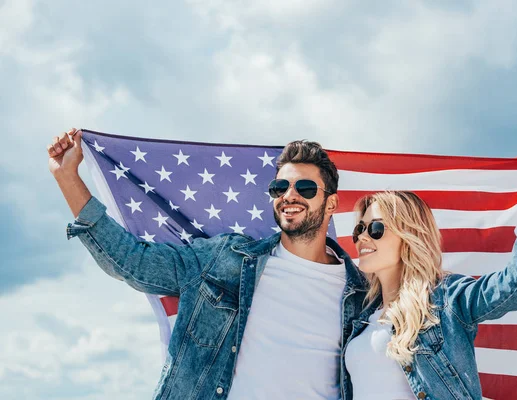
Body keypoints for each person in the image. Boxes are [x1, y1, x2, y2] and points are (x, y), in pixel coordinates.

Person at [47, 129, 368, 400]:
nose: (290, 195)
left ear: (332, 204)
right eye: (280, 188)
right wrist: (67, 177)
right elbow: (133, 263)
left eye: (306, 188)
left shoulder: (365, 297)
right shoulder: (223, 260)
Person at [342, 126, 517, 400]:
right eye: (359, 229)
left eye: (375, 228)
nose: (362, 236)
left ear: (408, 237)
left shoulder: (445, 300)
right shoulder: (358, 315)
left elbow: (516, 284)